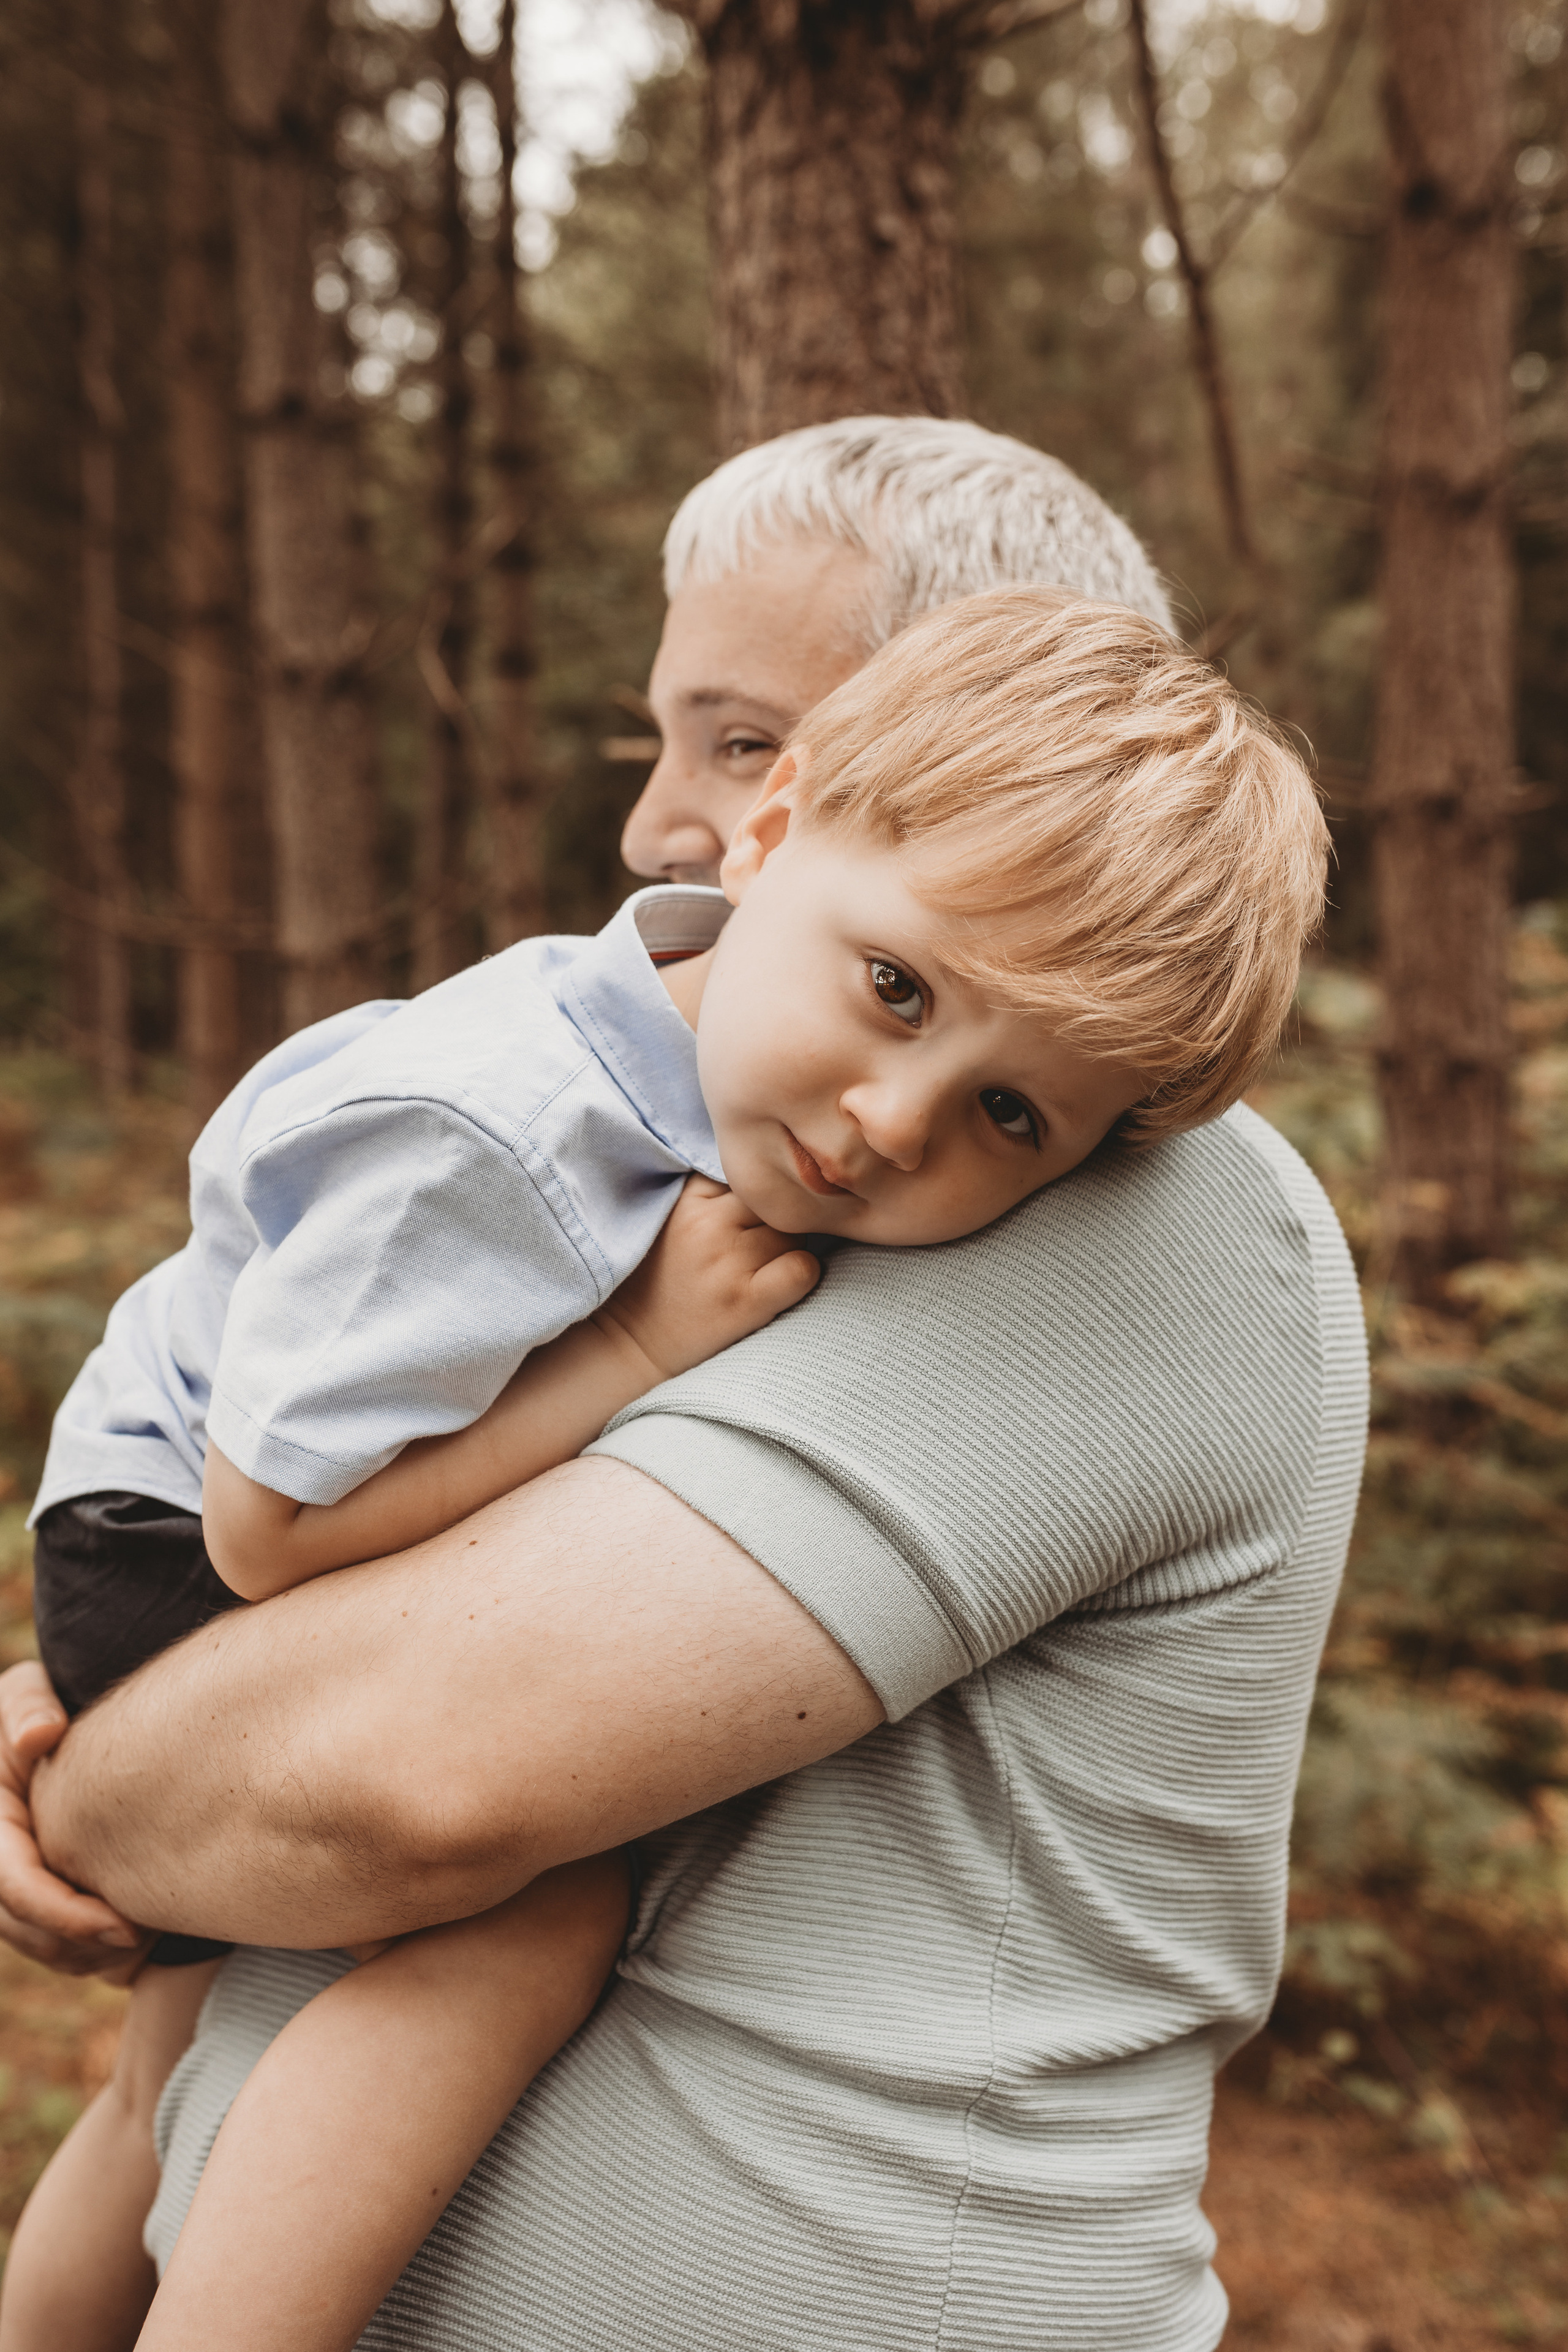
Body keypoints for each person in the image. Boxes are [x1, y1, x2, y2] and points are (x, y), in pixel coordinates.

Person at [0, 418, 1367, 2352]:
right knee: (151, 2095)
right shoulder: (699, 1137)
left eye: (732, 738)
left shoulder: (1123, 1211)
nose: (663, 824)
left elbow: (402, 1771)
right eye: (678, 741)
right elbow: (347, 1532)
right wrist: (103, 1701)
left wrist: (114, 1761)